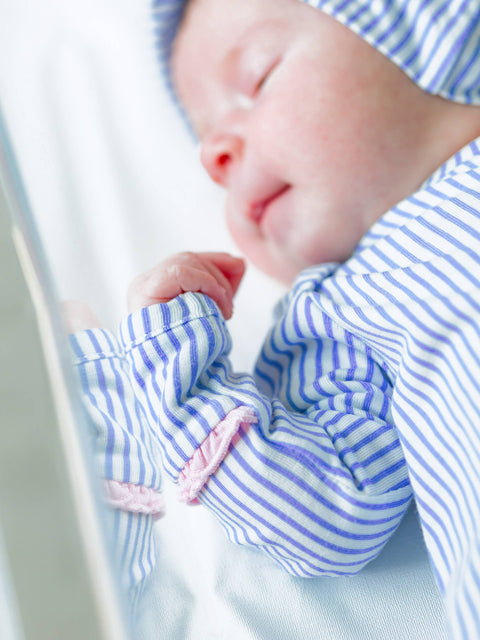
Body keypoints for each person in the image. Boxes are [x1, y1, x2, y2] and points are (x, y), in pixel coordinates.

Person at [66, 1, 480, 637]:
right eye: (205, 141)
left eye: (257, 80)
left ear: (423, 30)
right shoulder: (343, 307)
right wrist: (185, 378)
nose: (213, 155)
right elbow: (328, 517)